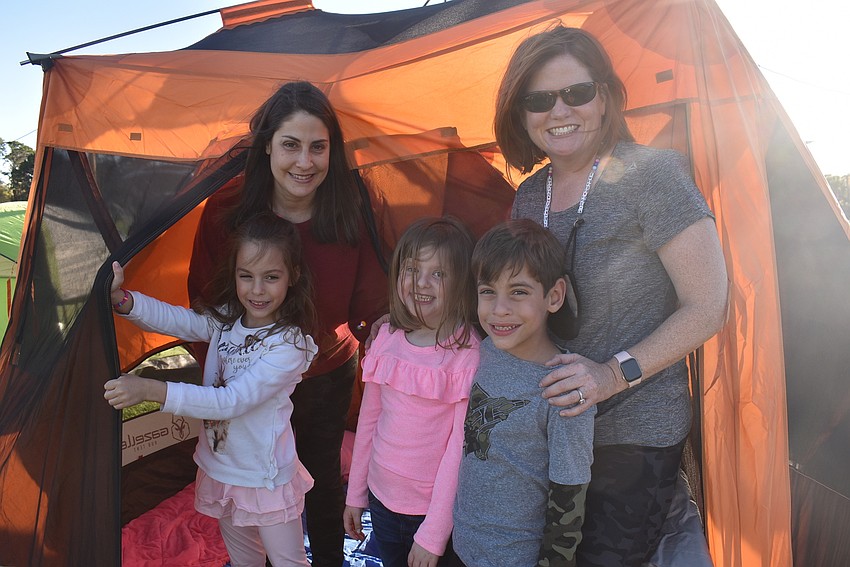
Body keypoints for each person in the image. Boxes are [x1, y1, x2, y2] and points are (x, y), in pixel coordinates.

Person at [494, 26, 728, 566]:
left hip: (636, 432)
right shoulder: (529, 196)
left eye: (576, 92)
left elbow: (709, 304)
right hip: (556, 429)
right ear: (521, 113)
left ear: (604, 98)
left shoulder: (655, 175)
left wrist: (609, 375)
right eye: (539, 99)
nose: (559, 110)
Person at [188, 81, 388, 566]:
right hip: (246, 378)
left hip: (324, 373)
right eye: (291, 145)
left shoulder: (350, 212)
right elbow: (204, 301)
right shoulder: (227, 213)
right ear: (268, 148)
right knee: (247, 480)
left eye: (318, 147)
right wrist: (225, 372)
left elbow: (372, 303)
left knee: (317, 479)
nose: (305, 162)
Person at [104, 212, 318, 567]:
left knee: (288, 563)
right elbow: (180, 320)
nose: (257, 290)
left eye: (271, 277)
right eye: (246, 276)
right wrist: (124, 302)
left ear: (293, 276)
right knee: (244, 560)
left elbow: (228, 402)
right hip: (221, 470)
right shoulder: (228, 320)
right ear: (234, 274)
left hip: (265, 481)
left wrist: (151, 390)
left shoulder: (289, 345)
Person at [452, 218, 595, 567]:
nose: (499, 308)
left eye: (518, 291)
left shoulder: (564, 389)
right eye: (488, 291)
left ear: (554, 296)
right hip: (462, 546)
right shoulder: (487, 349)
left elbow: (568, 500)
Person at [343, 217, 480, 567]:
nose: (421, 283)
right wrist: (356, 493)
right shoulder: (387, 337)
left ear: (461, 282)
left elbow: (458, 453)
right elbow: (368, 422)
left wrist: (434, 534)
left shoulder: (467, 355)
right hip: (381, 499)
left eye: (438, 273)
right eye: (412, 269)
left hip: (431, 513)